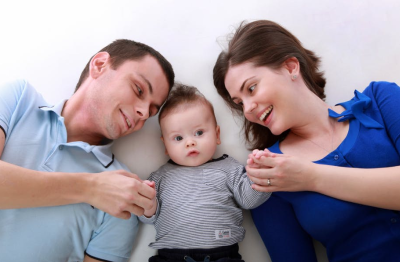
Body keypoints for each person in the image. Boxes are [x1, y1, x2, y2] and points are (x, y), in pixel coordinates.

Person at [213, 20, 400, 262]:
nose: (248, 109)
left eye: (251, 88)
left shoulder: (381, 100)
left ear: (291, 66)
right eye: (239, 103)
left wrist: (310, 177)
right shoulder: (268, 173)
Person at [0, 39, 174, 262]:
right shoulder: (19, 99)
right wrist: (90, 188)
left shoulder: (123, 194)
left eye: (150, 111)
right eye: (139, 89)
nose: (142, 112)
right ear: (100, 65)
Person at [138, 84, 271, 262]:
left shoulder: (229, 168)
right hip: (171, 256)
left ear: (217, 135)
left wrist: (261, 175)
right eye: (178, 138)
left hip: (223, 255)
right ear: (166, 146)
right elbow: (147, 218)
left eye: (199, 133)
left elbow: (248, 201)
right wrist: (147, 207)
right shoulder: (160, 177)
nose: (190, 142)